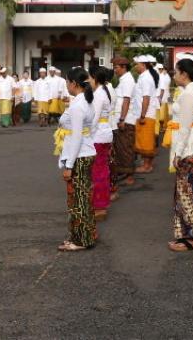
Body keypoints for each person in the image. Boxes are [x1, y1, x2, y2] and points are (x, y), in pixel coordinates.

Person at [168, 58, 193, 252]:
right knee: (186, 191)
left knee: (187, 193)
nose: (174, 75)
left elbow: (184, 128)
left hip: (188, 146)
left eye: (176, 72)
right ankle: (186, 235)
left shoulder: (188, 95)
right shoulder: (189, 92)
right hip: (192, 143)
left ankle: (191, 237)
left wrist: (178, 153)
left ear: (184, 73)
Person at [56, 67, 97, 252]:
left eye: (67, 82)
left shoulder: (79, 105)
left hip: (79, 155)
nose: (66, 85)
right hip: (86, 151)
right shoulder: (84, 102)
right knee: (81, 197)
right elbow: (66, 122)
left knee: (79, 199)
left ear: (73, 83)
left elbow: (77, 136)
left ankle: (81, 240)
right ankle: (80, 235)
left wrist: (69, 165)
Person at [91, 68, 113, 221]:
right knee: (102, 169)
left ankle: (99, 205)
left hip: (99, 133)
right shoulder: (105, 91)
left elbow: (94, 118)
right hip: (105, 132)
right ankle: (101, 203)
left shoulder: (99, 94)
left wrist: (85, 134)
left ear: (95, 78)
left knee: (98, 171)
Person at [111, 56, 137, 188]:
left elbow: (126, 101)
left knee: (126, 147)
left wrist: (122, 119)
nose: (115, 70)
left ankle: (130, 175)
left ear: (124, 67)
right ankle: (125, 172)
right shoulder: (123, 80)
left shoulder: (127, 80)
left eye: (116, 67)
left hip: (126, 119)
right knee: (121, 147)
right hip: (122, 118)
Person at [134, 55, 160, 174]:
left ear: (143, 65)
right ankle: (147, 163)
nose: (135, 67)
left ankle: (147, 165)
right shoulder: (144, 77)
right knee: (145, 140)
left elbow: (146, 98)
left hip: (146, 114)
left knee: (146, 141)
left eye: (137, 64)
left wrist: (143, 115)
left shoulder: (146, 78)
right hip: (145, 113)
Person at [155, 63, 172, 134]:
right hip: (166, 96)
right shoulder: (167, 76)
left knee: (161, 115)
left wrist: (159, 98)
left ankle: (162, 128)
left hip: (162, 97)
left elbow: (162, 88)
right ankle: (164, 127)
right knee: (165, 114)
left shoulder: (162, 76)